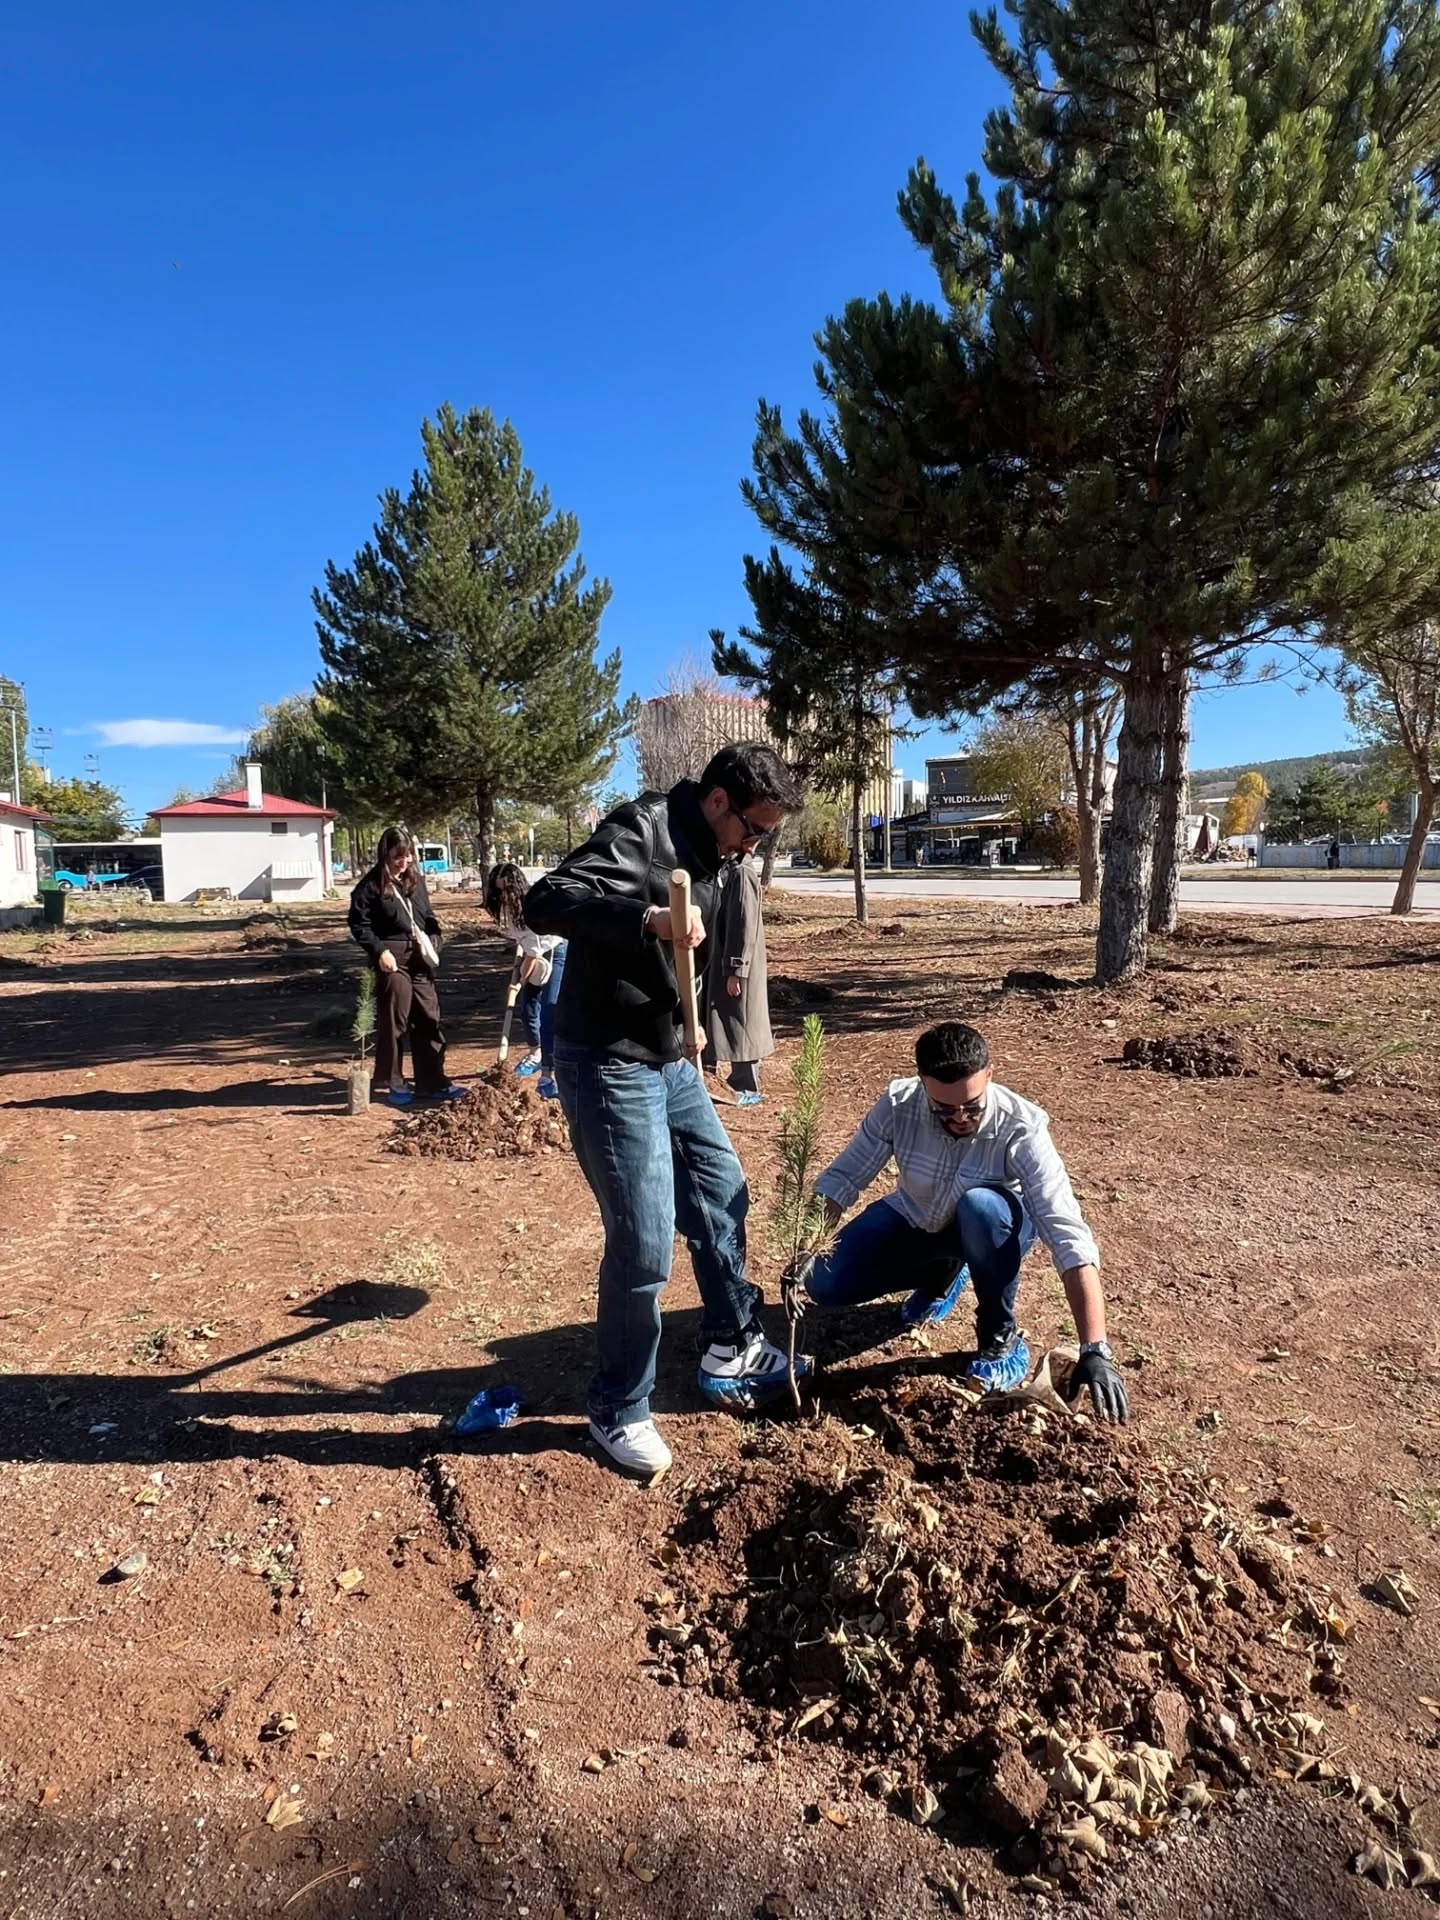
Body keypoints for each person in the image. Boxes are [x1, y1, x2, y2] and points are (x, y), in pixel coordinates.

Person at [524, 743, 805, 1478]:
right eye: (753, 830)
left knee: (720, 1193)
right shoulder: (640, 830)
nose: (756, 845)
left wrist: (704, 1021)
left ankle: (731, 1338)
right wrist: (646, 919)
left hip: (669, 1055)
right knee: (645, 1240)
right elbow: (546, 899)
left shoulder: (721, 853)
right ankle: (618, 1406)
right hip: (606, 1059)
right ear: (718, 802)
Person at [796, 1021, 1129, 1424]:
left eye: (971, 1105)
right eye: (944, 1108)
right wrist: (806, 1246)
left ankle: (1000, 1340)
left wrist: (1095, 1347)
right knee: (823, 1280)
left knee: (981, 1208)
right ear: (923, 1084)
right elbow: (843, 1178)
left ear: (989, 1075)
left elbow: (1066, 1231)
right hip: (918, 1215)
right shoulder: (900, 1104)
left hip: (995, 1228)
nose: (959, 1117)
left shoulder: (1020, 1126)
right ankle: (942, 1276)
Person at [348, 828, 465, 1110]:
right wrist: (379, 950)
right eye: (398, 855)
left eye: (408, 855)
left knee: (428, 1015)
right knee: (395, 1019)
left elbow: (428, 916)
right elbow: (359, 925)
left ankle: (432, 1080)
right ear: (385, 854)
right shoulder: (370, 886)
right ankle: (394, 1080)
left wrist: (436, 937)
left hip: (420, 958)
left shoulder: (416, 881)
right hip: (392, 959)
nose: (405, 861)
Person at [484, 862, 566, 1099]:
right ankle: (537, 1053)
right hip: (533, 953)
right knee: (528, 1008)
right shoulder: (507, 908)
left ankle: (549, 1075)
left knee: (549, 1013)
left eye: (505, 891)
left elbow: (534, 951)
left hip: (555, 951)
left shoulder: (534, 904)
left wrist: (519, 981)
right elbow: (525, 943)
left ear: (516, 887)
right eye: (497, 891)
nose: (501, 896)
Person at [703, 852, 773, 1108]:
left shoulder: (742, 872)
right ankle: (720, 1080)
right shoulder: (728, 868)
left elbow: (743, 922)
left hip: (738, 965)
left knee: (742, 1023)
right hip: (725, 960)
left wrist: (736, 969)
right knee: (728, 1020)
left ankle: (746, 1086)